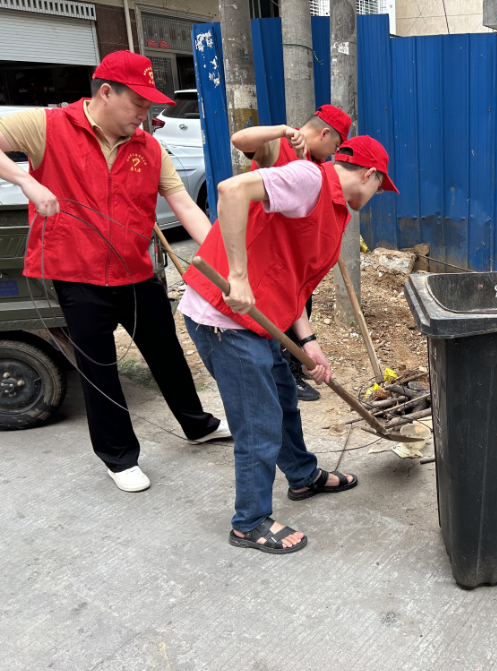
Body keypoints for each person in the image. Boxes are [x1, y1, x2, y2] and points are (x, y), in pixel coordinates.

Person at [0, 51, 229, 493]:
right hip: (78, 277)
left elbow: (184, 205)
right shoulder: (48, 126)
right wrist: (26, 180)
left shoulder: (149, 148)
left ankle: (197, 424)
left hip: (136, 272)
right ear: (105, 92)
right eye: (138, 103)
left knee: (167, 353)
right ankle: (119, 456)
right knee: (99, 368)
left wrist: (223, 259)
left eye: (150, 105)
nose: (145, 114)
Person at [178, 135, 398, 553]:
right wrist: (237, 275)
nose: (376, 195)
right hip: (225, 320)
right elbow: (231, 190)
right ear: (369, 174)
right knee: (258, 423)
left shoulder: (334, 208)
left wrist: (309, 341)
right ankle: (249, 522)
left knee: (283, 401)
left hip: (262, 321)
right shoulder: (308, 179)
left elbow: (292, 277)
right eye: (380, 188)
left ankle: (302, 476)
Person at [230, 105, 353, 401]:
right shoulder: (280, 145)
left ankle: (292, 370)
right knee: (274, 322)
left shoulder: (316, 163)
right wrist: (283, 131)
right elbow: (239, 139)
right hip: (264, 255)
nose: (332, 155)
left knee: (300, 309)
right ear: (324, 133)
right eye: (335, 146)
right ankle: (286, 373)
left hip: (292, 260)